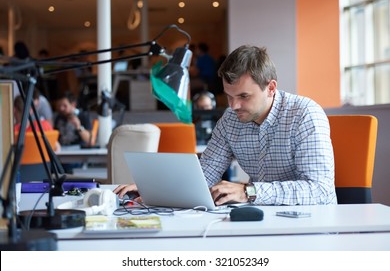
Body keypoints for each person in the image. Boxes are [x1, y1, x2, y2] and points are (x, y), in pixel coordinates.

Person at [114, 45, 337, 206]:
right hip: (263, 220)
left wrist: (249, 191)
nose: (234, 105)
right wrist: (155, 189)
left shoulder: (305, 114)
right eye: (229, 96)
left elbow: (319, 190)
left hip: (312, 223)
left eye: (243, 96)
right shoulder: (231, 120)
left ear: (271, 88)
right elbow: (205, 174)